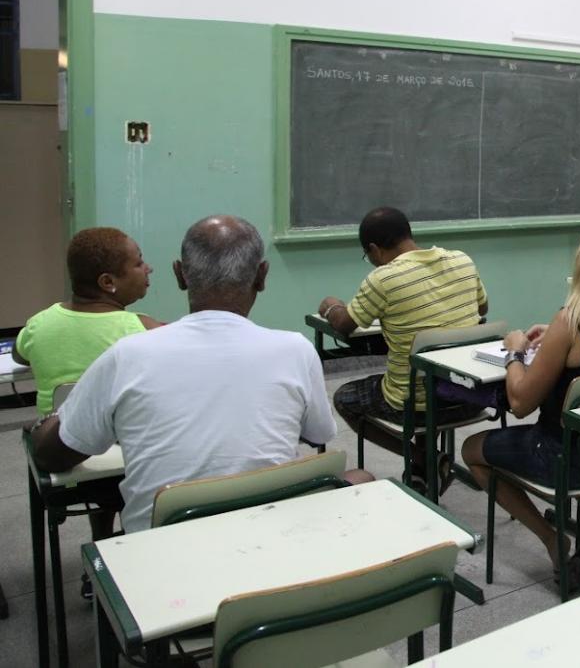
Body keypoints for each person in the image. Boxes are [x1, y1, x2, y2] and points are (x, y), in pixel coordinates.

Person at [29, 215, 355, 532]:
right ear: (262, 276)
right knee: (360, 480)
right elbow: (318, 434)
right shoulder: (295, 350)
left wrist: (50, 421)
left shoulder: (127, 355)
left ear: (180, 274)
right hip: (268, 538)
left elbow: (53, 455)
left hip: (162, 553)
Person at [461, 224, 580, 581]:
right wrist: (553, 338)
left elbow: (520, 402)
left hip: (566, 460)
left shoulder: (570, 324)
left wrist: (516, 352)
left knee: (473, 450)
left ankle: (551, 539)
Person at [320, 207, 490, 490]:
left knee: (345, 398)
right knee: (427, 371)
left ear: (374, 249)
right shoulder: (462, 260)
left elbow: (345, 326)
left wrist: (331, 306)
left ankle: (424, 456)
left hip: (420, 406)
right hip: (471, 395)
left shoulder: (384, 278)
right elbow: (482, 307)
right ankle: (423, 471)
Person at [16, 227, 161, 417]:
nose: (148, 268)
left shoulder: (39, 324)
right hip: (119, 443)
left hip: (54, 441)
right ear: (108, 282)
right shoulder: (144, 330)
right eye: (139, 263)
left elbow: (19, 356)